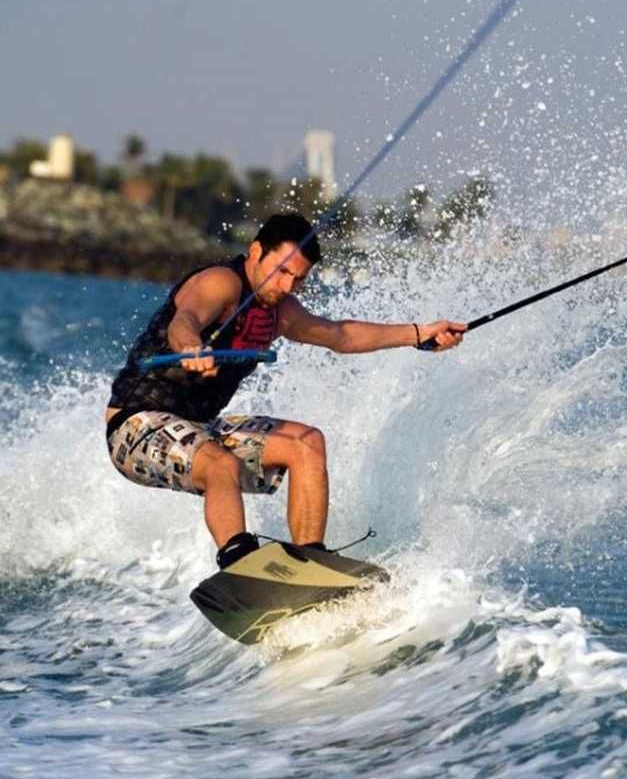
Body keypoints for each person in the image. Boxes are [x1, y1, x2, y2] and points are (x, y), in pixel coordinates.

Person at [106, 213, 465, 570]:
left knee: (307, 443)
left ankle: (310, 564)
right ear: (256, 251)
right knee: (221, 464)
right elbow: (186, 319)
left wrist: (418, 334)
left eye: (299, 279)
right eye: (282, 271)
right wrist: (189, 348)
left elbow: (340, 335)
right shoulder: (221, 283)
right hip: (136, 425)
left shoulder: (281, 312)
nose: (287, 286)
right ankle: (241, 567)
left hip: (199, 427)